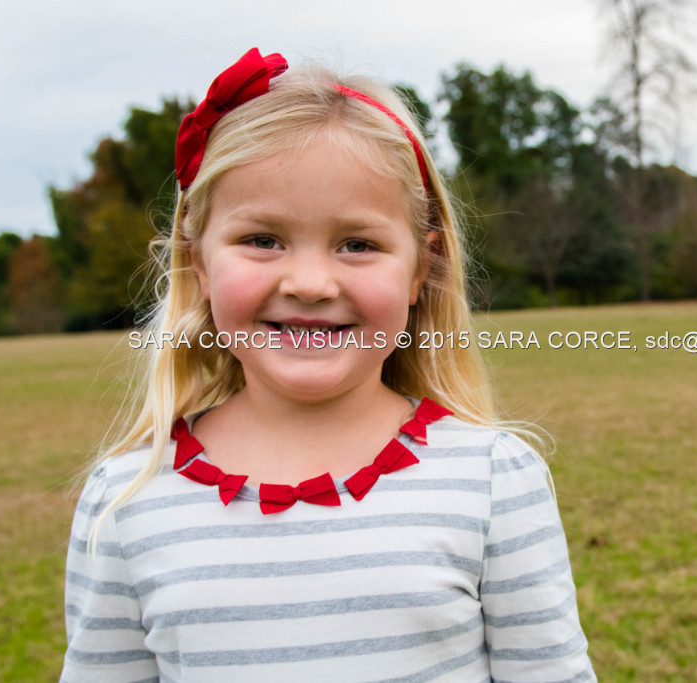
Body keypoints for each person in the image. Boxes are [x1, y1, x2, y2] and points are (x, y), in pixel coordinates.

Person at [62, 48, 595, 682]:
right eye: (262, 240)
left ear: (421, 267)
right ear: (198, 261)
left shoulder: (492, 480)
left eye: (357, 244)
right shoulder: (127, 500)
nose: (310, 283)